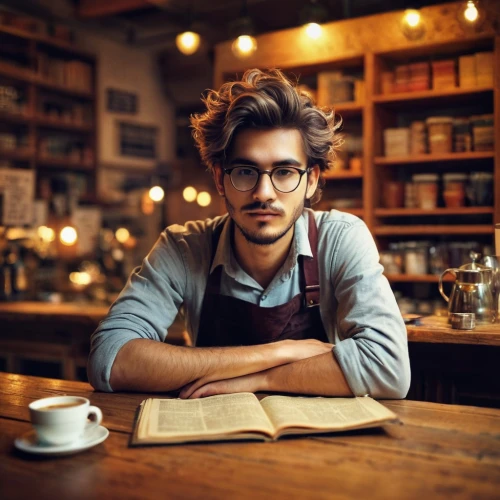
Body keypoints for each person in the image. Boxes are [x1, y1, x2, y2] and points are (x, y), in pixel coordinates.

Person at [88, 68, 410, 399]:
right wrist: (278, 352)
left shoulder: (340, 238)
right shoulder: (183, 248)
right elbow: (109, 359)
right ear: (219, 179)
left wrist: (258, 380)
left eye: (284, 172)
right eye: (245, 171)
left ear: (311, 180)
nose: (263, 193)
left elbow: (389, 368)